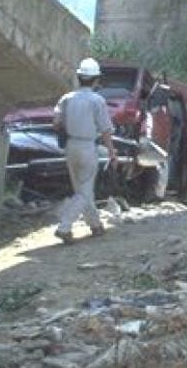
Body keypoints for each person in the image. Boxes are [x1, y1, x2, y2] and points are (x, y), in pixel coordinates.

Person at [52, 57, 119, 243]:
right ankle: (64, 226)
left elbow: (56, 122)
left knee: (81, 189)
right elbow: (105, 130)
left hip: (70, 146)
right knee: (84, 192)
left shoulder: (66, 98)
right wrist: (112, 153)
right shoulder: (97, 101)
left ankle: (95, 225)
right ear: (96, 79)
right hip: (87, 146)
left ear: (79, 77)